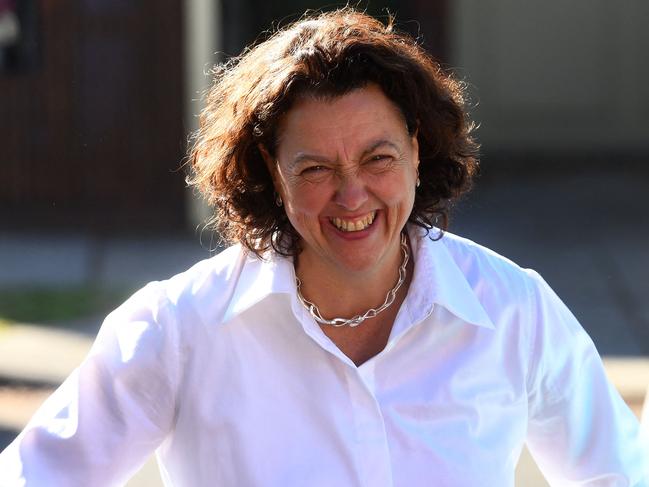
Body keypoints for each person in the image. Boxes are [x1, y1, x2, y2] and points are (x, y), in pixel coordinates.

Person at [0, 8, 647, 486]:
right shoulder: (177, 328)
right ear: (269, 171)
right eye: (314, 168)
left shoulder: (513, 313)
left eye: (377, 157)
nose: (351, 195)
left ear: (417, 154)